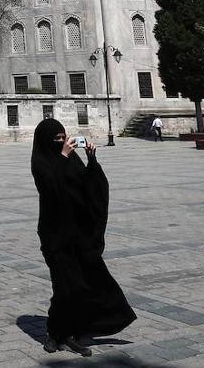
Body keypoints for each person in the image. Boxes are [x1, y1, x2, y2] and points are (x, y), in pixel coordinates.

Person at [30, 118, 136, 355]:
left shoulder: (70, 158)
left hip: (78, 233)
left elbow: (88, 186)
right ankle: (56, 334)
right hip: (55, 235)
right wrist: (64, 155)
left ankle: (68, 332)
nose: (61, 142)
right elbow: (50, 188)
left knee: (85, 284)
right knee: (65, 286)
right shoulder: (41, 162)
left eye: (63, 137)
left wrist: (91, 160)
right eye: (56, 139)